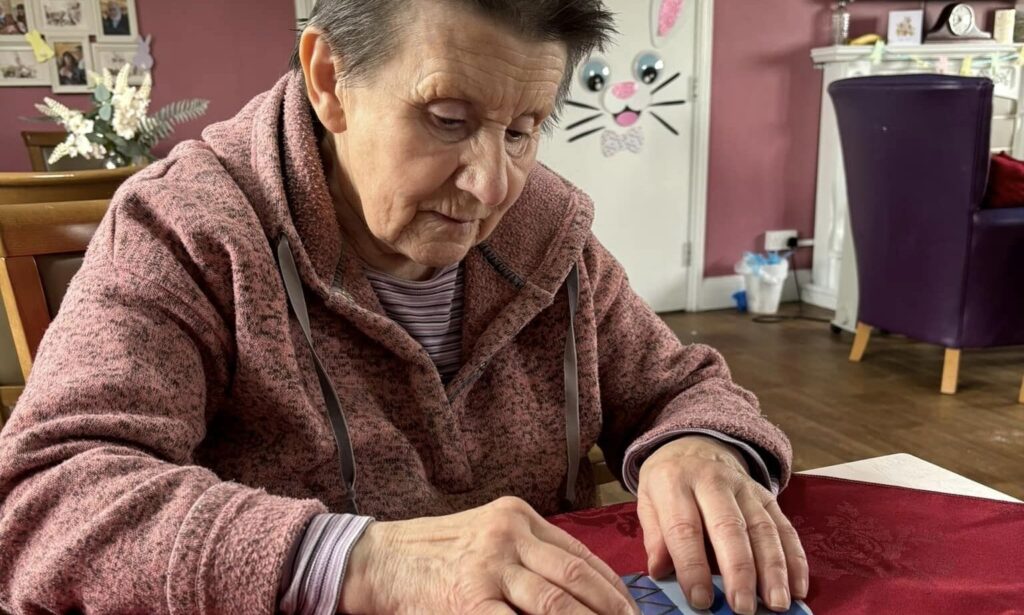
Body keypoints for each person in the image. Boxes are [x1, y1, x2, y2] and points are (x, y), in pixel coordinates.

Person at [0, 1, 808, 614]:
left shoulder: (547, 232)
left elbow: (680, 387)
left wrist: (697, 445)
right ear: (329, 80)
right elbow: (45, 500)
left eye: (524, 130)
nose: (491, 186)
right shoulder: (189, 228)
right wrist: (364, 561)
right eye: (448, 120)